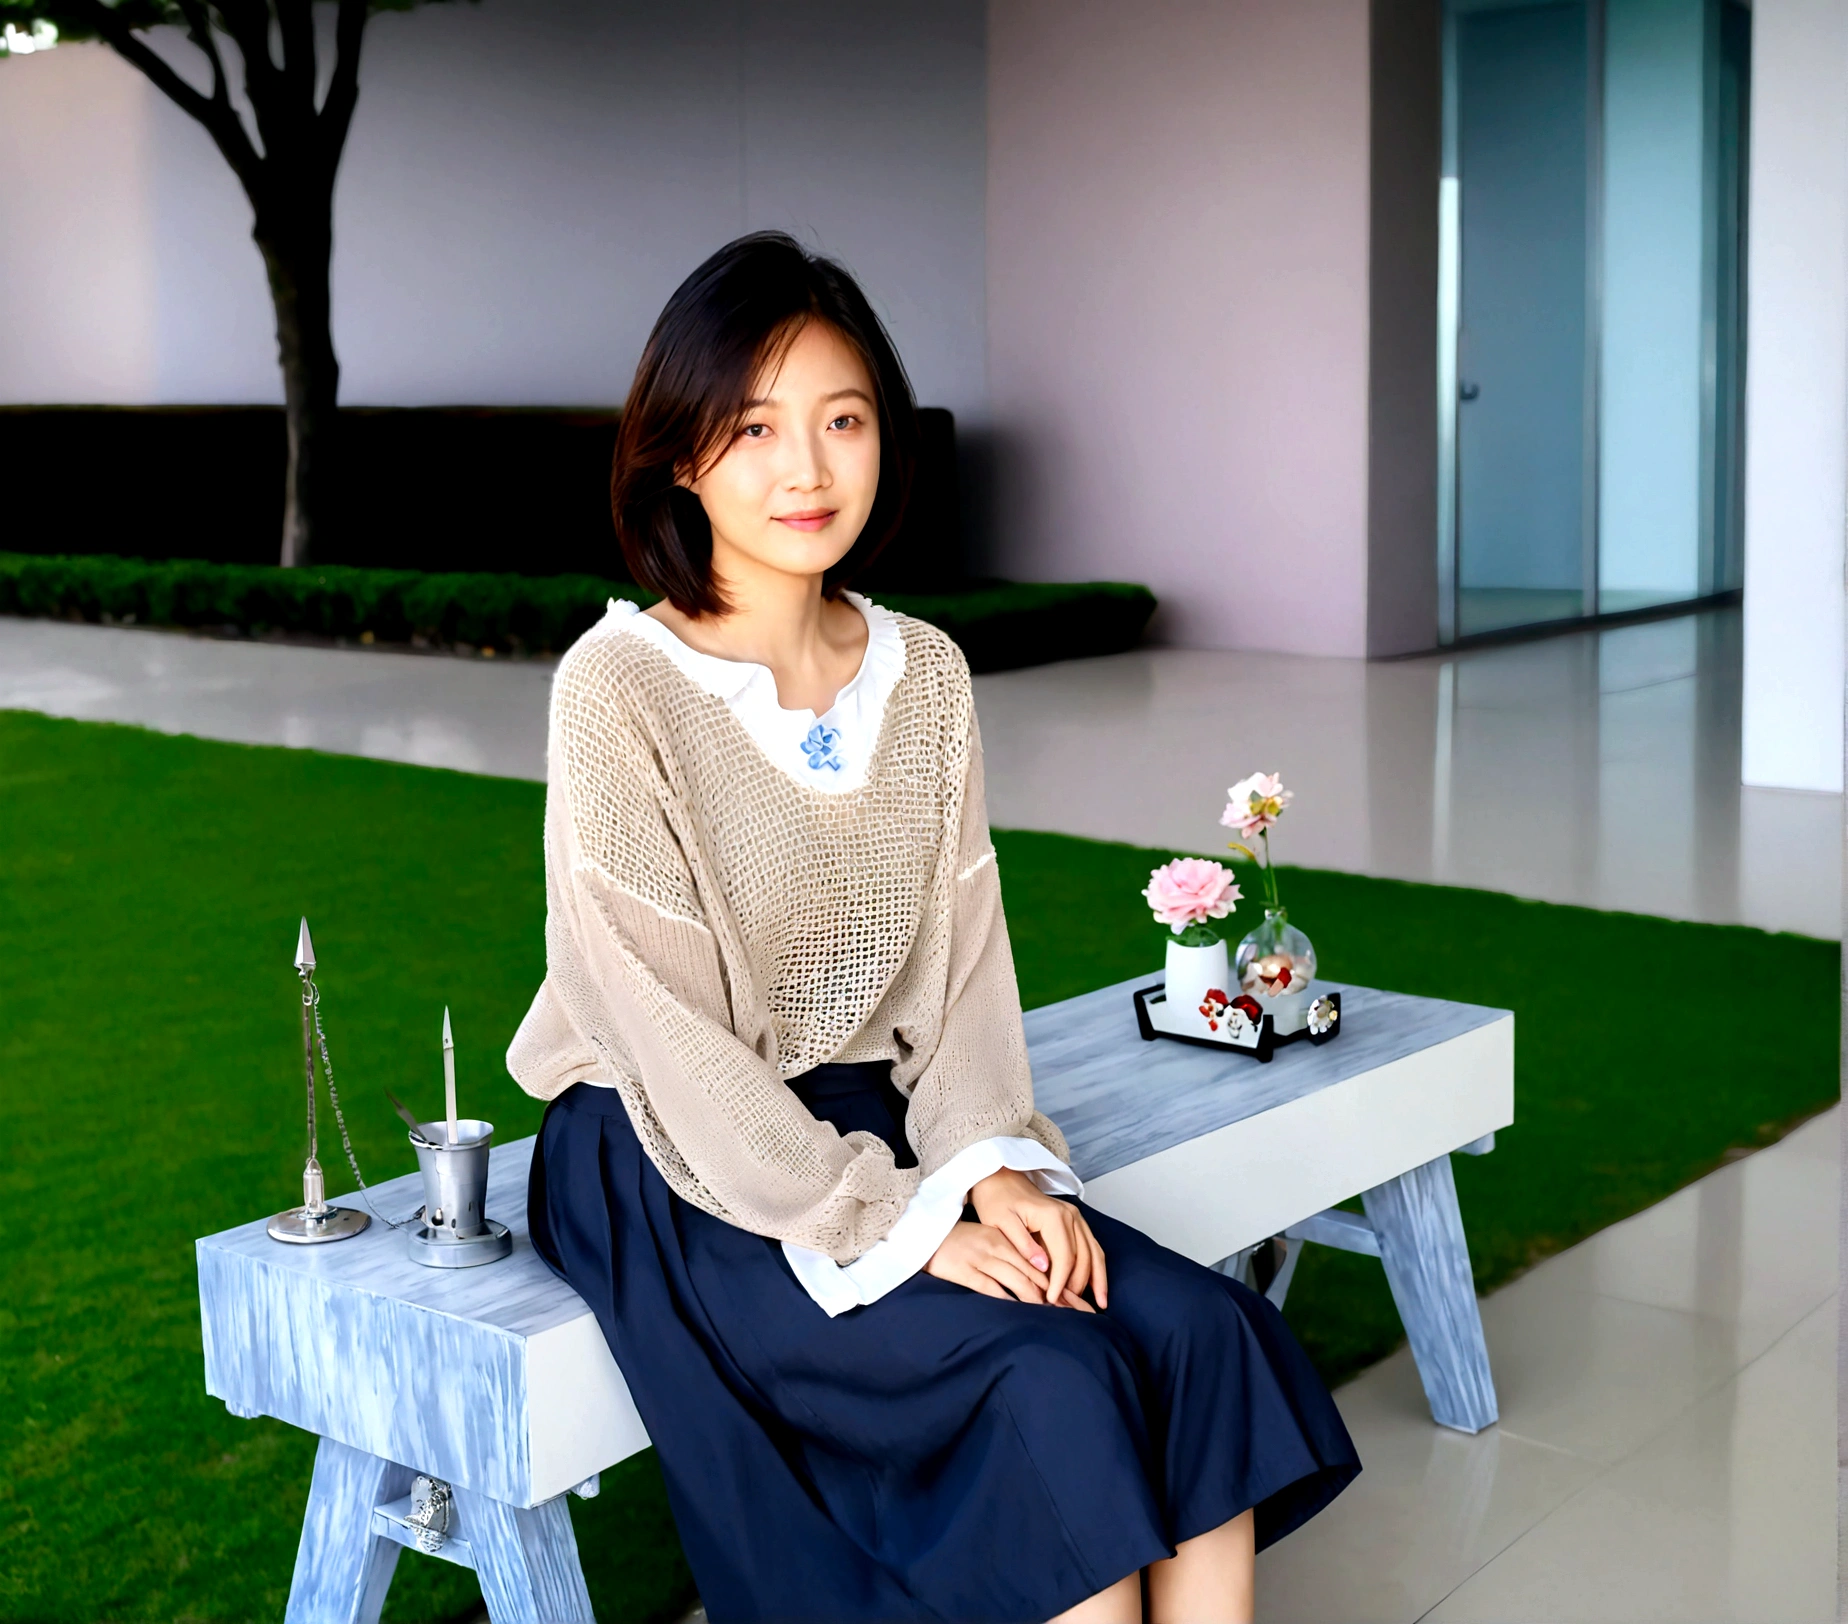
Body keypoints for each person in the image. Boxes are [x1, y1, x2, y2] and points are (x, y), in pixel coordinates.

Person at [510, 231, 1358, 1624]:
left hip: (883, 1120)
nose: (808, 469)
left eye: (843, 422)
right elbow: (671, 1044)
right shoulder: (620, 687)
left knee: (1202, 1333)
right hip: (670, 1151)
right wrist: (901, 1225)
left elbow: (963, 983)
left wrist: (992, 1173)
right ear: (677, 453)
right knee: (1050, 1376)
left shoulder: (927, 673)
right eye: (755, 427)